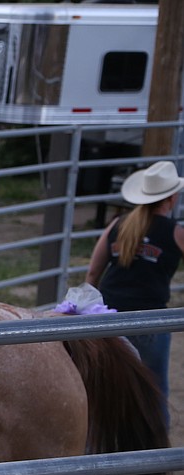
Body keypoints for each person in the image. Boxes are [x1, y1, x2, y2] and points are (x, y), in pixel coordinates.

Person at [86, 159, 184, 422]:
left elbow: (94, 272)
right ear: (172, 199)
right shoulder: (176, 232)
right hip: (150, 319)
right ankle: (155, 454)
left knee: (106, 387)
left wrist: (89, 308)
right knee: (155, 388)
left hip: (111, 316)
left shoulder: (119, 225)